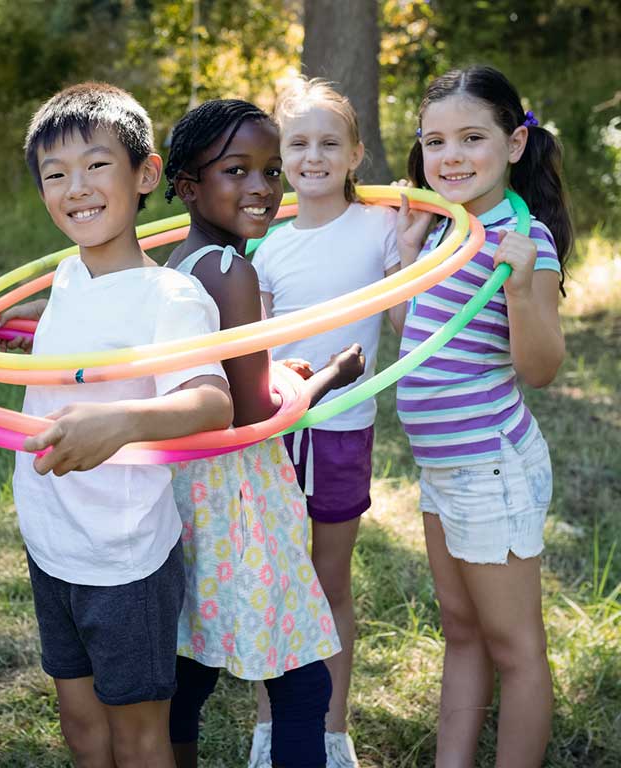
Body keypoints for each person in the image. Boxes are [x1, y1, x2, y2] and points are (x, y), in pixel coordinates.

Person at [13, 82, 234, 767]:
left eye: (95, 165)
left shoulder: (170, 296)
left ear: (144, 175)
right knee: (81, 729)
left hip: (124, 559)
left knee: (139, 739)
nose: (75, 186)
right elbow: (80, 348)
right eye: (55, 174)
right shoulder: (67, 279)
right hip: (53, 542)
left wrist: (122, 423)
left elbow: (211, 402)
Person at [159, 98, 366, 768]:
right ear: (189, 186)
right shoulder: (231, 270)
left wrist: (271, 368)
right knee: (303, 683)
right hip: (241, 499)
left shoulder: (181, 266)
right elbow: (251, 415)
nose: (262, 187)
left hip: (191, 495)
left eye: (271, 170)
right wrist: (331, 373)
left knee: (191, 668)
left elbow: (216, 368)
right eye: (236, 171)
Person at [394, 64, 571, 768]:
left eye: (472, 137)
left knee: (516, 649)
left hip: (489, 467)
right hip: (443, 468)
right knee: (461, 631)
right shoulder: (448, 231)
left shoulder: (520, 243)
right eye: (435, 142)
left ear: (516, 142)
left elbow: (542, 367)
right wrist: (409, 259)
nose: (452, 156)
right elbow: (429, 343)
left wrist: (524, 287)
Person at [250, 76, 411, 768]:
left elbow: (405, 327)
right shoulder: (268, 245)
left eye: (328, 143)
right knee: (275, 578)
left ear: (354, 155)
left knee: (330, 578)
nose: (312, 156)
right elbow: (252, 357)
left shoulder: (378, 227)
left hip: (344, 428)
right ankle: (268, 724)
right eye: (298, 143)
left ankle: (333, 728)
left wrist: (406, 251)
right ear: (282, 156)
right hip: (276, 434)